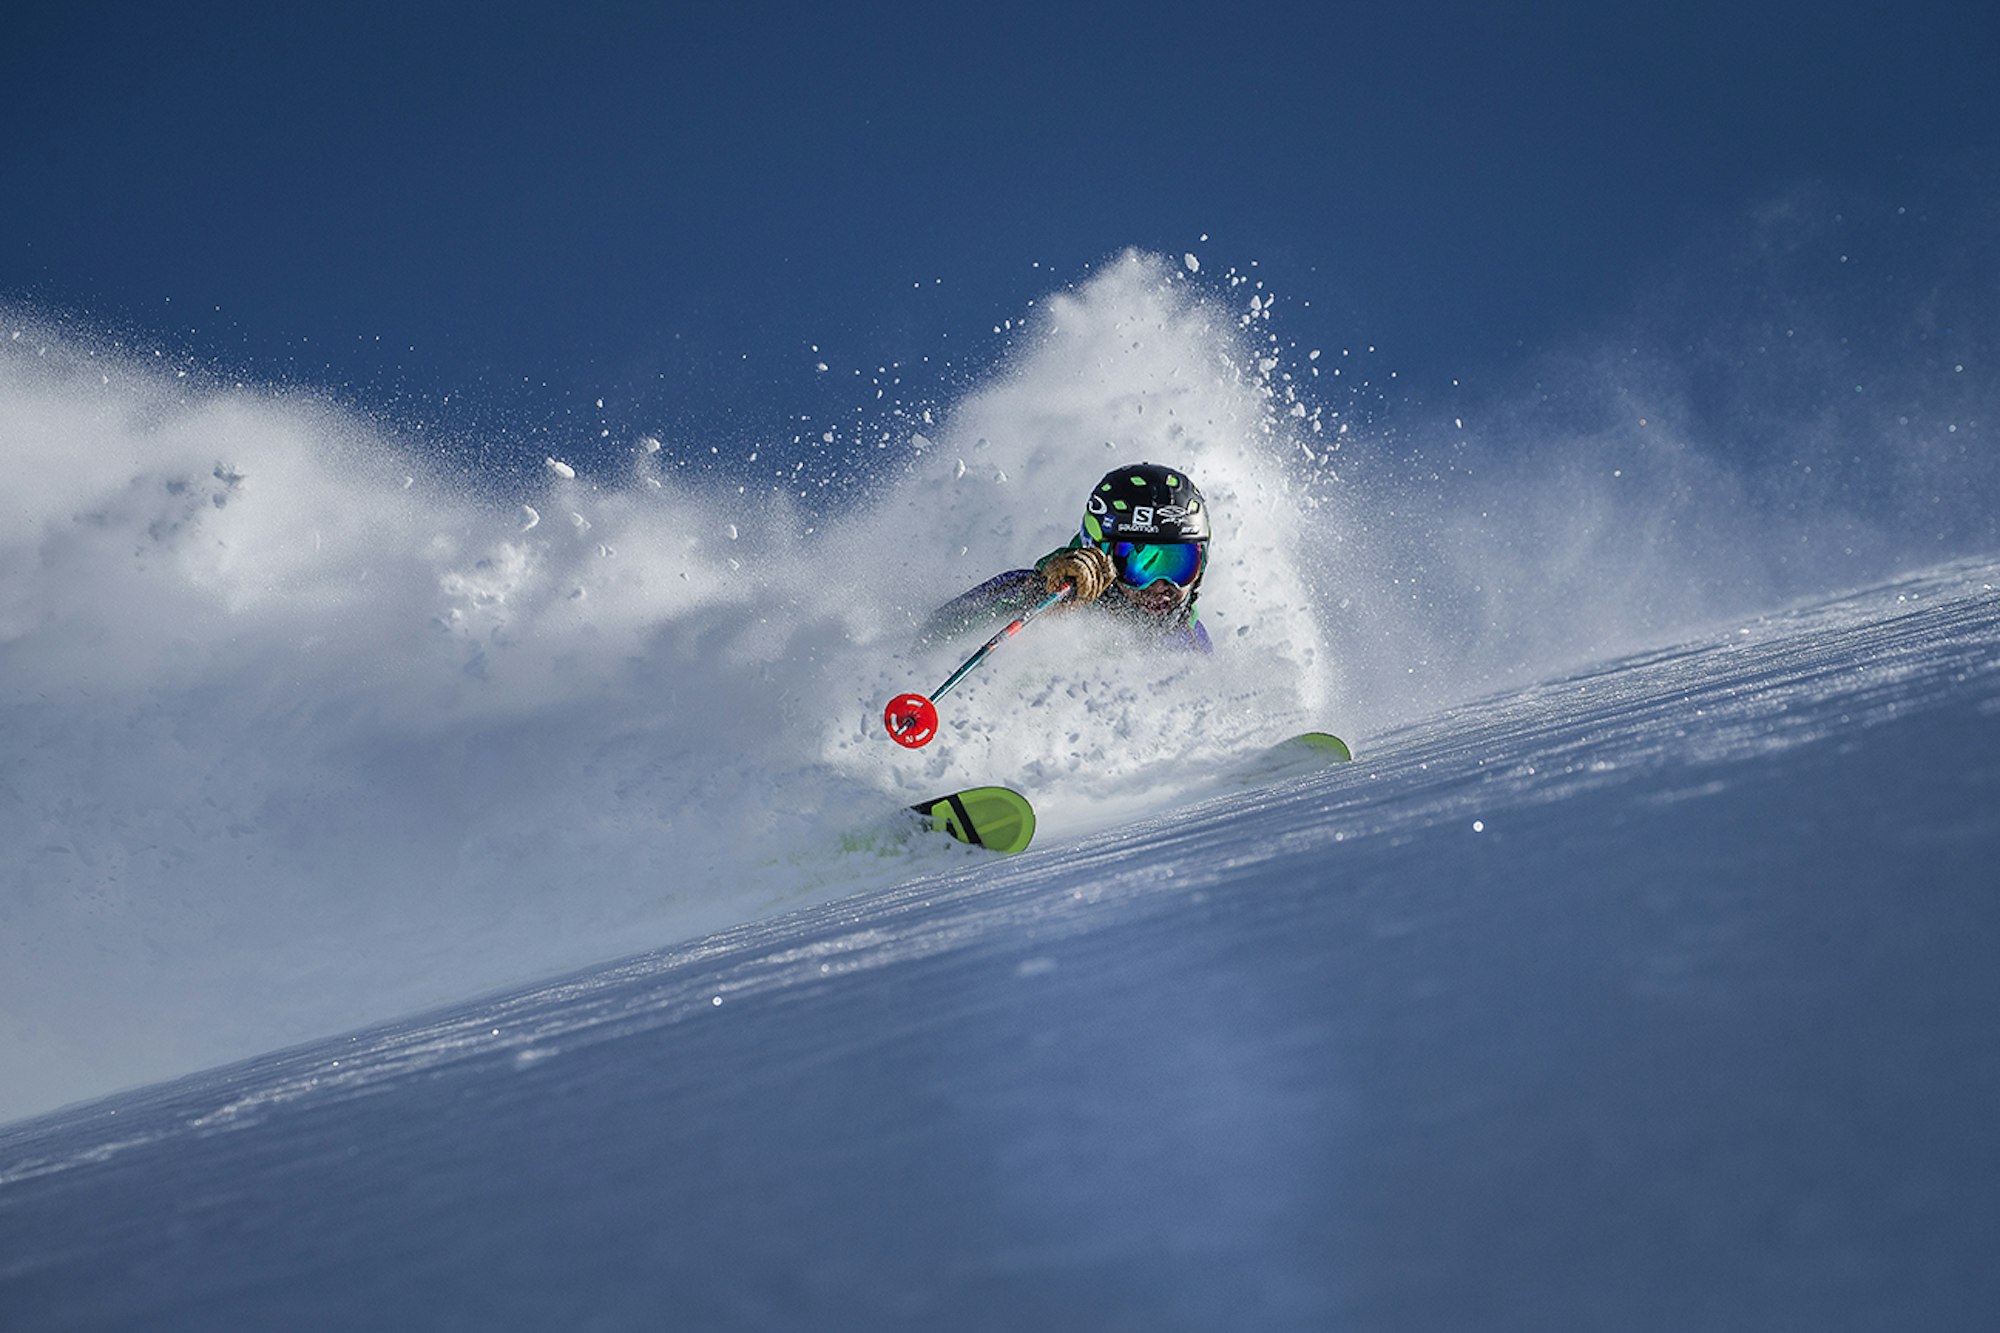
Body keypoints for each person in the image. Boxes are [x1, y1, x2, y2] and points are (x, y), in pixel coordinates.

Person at [921, 462, 1213, 653]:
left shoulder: (1189, 640)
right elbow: (930, 640)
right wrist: (1040, 598)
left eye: (1180, 565)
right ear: (1101, 556)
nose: (1160, 586)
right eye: (1140, 565)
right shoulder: (1033, 592)